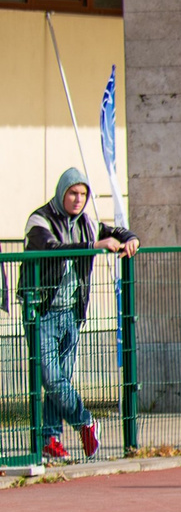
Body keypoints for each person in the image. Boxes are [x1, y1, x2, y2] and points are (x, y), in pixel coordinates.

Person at [20, 168, 137, 461]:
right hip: (42, 311)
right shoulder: (40, 220)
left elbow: (114, 231)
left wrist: (131, 237)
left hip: (71, 313)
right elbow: (50, 248)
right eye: (73, 193)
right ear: (62, 193)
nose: (78, 199)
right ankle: (84, 421)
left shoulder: (86, 222)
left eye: (83, 194)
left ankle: (50, 439)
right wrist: (93, 246)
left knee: (60, 380)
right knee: (50, 377)